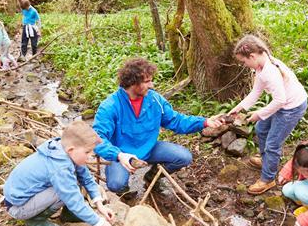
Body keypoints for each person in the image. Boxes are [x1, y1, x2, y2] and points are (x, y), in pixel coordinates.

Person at [93, 58, 222, 195]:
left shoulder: (155, 100)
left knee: (183, 157)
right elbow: (97, 138)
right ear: (133, 82)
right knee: (115, 184)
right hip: (122, 154)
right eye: (147, 81)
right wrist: (118, 155)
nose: (151, 85)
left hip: (150, 148)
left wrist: (205, 122)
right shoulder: (110, 106)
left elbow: (176, 121)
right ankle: (124, 192)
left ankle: (152, 177)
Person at [3, 121, 118, 226]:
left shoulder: (63, 150)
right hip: (18, 206)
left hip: (26, 196)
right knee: (63, 190)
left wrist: (99, 205)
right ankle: (34, 220)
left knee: (72, 180)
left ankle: (69, 215)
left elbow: (87, 178)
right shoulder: (59, 167)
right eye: (87, 152)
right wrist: (103, 225)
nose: (90, 156)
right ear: (71, 149)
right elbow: (72, 199)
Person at [227, 35, 308, 195]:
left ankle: (268, 179)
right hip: (283, 104)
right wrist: (239, 107)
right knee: (261, 128)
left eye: (243, 62)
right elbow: (256, 92)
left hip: (291, 107)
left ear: (252, 56)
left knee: (272, 143)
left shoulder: (270, 71)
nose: (244, 65)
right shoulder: (260, 67)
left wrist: (259, 113)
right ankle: (266, 162)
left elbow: (280, 100)